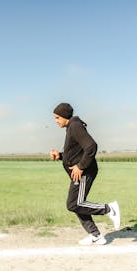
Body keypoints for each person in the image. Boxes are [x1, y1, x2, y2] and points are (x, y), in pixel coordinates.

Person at [50, 102, 120, 245]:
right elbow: (76, 152)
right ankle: (95, 235)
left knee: (74, 203)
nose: (55, 121)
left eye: (57, 118)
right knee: (77, 204)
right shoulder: (71, 127)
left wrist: (81, 167)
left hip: (85, 172)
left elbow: (91, 146)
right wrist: (60, 156)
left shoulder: (75, 126)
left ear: (64, 116)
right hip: (79, 173)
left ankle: (109, 209)